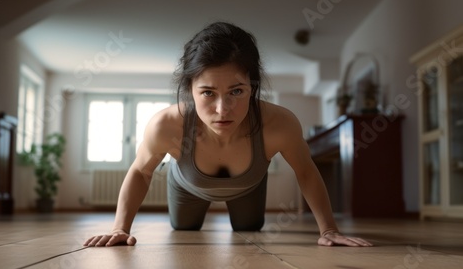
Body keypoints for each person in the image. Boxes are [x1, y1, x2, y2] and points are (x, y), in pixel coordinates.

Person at [84, 21, 372, 247]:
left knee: (249, 229)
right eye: (208, 93)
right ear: (190, 90)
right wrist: (120, 228)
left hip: (249, 186)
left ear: (253, 87)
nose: (223, 109)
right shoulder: (166, 126)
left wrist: (329, 230)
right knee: (184, 229)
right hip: (187, 187)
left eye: (236, 91)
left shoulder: (279, 124)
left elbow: (306, 172)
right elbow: (141, 171)